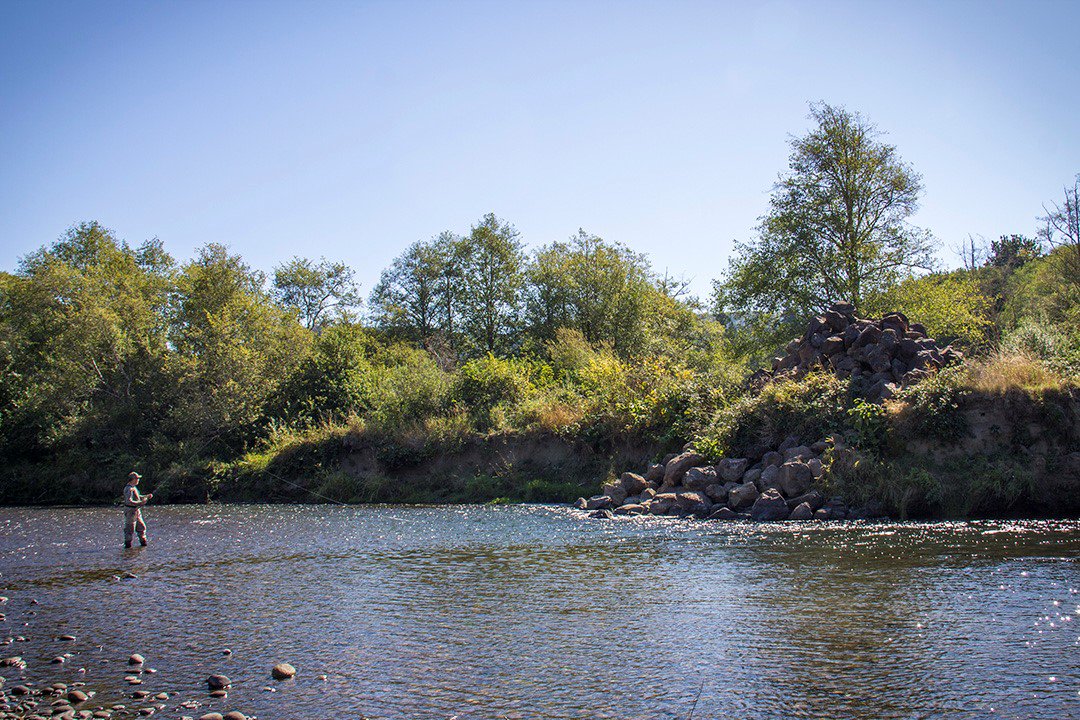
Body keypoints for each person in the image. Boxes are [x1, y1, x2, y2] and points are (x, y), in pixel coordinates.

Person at [123, 471, 153, 548]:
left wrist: (146, 496)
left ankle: (143, 544)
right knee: (130, 529)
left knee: (142, 527)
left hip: (137, 511)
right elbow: (128, 501)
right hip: (130, 512)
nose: (138, 480)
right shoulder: (128, 489)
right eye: (137, 478)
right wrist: (140, 502)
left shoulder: (133, 488)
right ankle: (128, 546)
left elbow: (138, 496)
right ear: (133, 479)